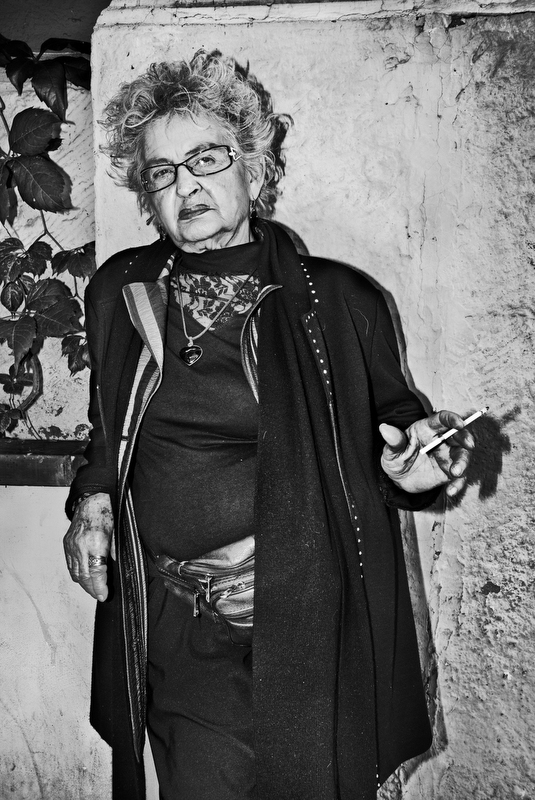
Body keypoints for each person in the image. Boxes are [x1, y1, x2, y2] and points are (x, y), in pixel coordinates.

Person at [64, 50, 474, 800]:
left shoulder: (341, 300)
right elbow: (107, 430)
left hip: (308, 620)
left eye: (207, 158)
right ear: (147, 196)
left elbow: (398, 427)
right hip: (179, 624)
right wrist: (91, 504)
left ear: (254, 169)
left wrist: (415, 468)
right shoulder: (120, 290)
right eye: (161, 172)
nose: (185, 185)